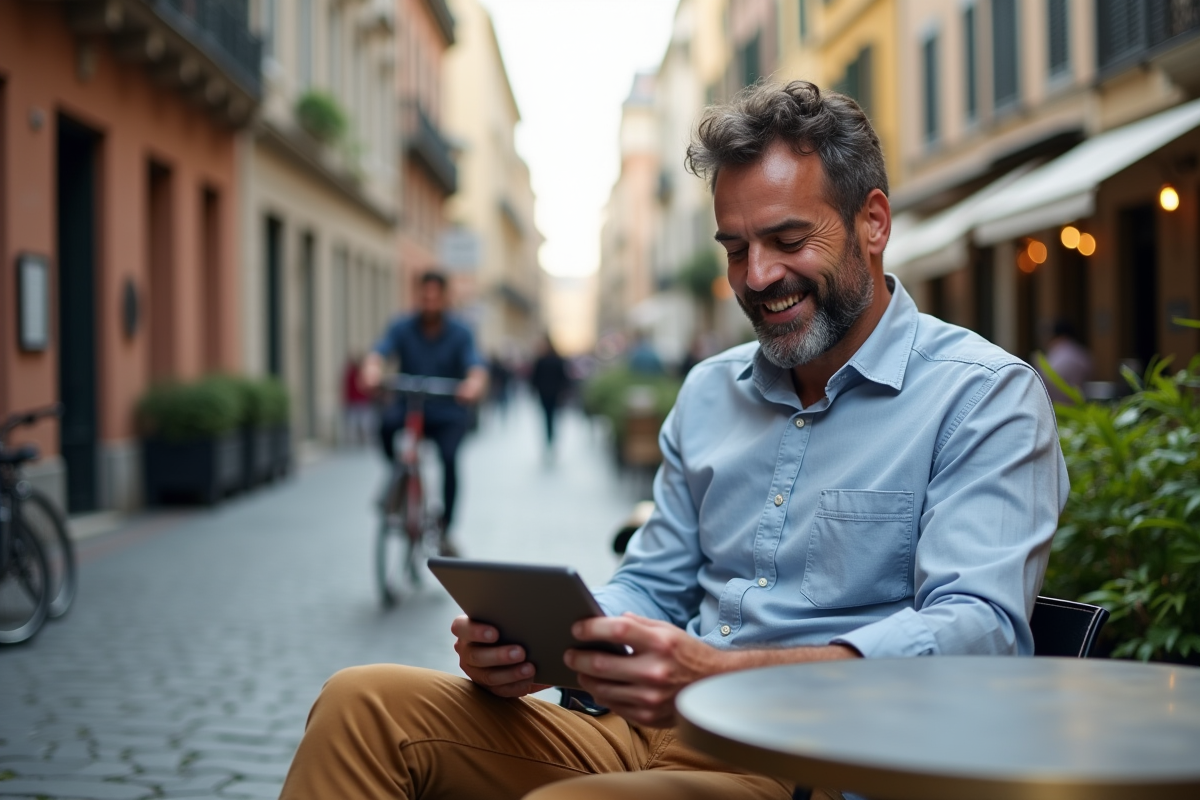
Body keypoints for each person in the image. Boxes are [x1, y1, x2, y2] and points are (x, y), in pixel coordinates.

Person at [279, 82, 1067, 800]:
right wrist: (555, 642)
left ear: (873, 223)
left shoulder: (983, 396)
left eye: (788, 240)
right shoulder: (708, 392)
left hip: (814, 760)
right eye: (735, 248)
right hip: (650, 733)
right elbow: (651, 585)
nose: (757, 276)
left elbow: (983, 631)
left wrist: (727, 672)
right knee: (361, 705)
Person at [360, 271, 487, 552]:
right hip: (410, 406)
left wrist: (472, 385)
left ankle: (446, 529)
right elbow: (380, 351)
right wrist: (372, 369)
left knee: (450, 459)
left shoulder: (461, 332)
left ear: (445, 298)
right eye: (424, 296)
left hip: (447, 411)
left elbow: (475, 365)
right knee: (384, 427)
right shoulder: (402, 326)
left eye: (435, 296)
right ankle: (399, 477)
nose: (429, 302)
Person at [529, 334, 571, 453]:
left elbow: (563, 378)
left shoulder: (551, 360)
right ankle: (550, 438)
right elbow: (535, 378)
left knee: (551, 417)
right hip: (545, 394)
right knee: (548, 417)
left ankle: (551, 437)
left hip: (553, 394)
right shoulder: (542, 360)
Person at [1039, 319, 1093, 402]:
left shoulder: (1055, 354)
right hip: (1079, 405)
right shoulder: (1082, 354)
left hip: (1055, 405)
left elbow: (1043, 381)